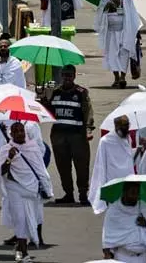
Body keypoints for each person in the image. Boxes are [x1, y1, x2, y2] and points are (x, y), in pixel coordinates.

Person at [39, 64, 93, 205]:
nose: (67, 78)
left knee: (81, 166)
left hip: (77, 136)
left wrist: (88, 129)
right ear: (61, 76)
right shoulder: (55, 92)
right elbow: (48, 112)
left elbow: (88, 112)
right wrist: (43, 101)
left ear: (74, 76)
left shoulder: (81, 92)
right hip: (59, 136)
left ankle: (83, 194)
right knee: (63, 166)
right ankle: (68, 193)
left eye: (70, 75)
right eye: (65, 75)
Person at [0, 121, 52, 263]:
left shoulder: (33, 147)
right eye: (16, 131)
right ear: (11, 134)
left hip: (31, 190)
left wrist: (46, 187)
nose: (20, 133)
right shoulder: (6, 149)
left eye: (22, 130)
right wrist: (9, 158)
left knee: (29, 221)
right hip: (15, 188)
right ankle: (25, 253)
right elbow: (1, 171)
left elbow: (40, 169)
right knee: (20, 220)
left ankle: (19, 248)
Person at [96, 0, 142, 86]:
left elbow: (132, 13)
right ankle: (116, 77)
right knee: (112, 54)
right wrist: (107, 7)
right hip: (111, 31)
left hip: (124, 29)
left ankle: (122, 77)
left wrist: (135, 30)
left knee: (124, 53)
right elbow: (100, 10)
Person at [90, 115, 138, 215]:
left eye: (127, 125)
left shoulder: (128, 138)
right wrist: (102, 186)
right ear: (116, 126)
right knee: (115, 213)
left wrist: (139, 149)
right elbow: (101, 164)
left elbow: (128, 157)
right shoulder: (105, 141)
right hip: (113, 181)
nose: (126, 129)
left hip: (128, 181)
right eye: (124, 126)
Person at [102, 180, 146, 263]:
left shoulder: (144, 207)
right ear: (124, 193)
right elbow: (107, 235)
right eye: (132, 192)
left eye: (137, 193)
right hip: (123, 257)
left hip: (142, 257)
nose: (135, 196)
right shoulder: (114, 211)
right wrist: (107, 255)